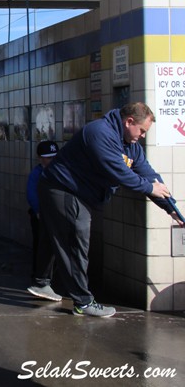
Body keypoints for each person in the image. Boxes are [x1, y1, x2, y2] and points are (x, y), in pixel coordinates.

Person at [33, 103, 182, 317]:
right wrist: (150, 187)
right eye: (141, 131)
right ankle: (82, 302)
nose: (141, 136)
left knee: (55, 237)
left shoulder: (130, 146)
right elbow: (119, 172)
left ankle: (41, 282)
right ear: (129, 121)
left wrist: (171, 208)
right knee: (75, 243)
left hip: (67, 190)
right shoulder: (99, 132)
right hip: (65, 189)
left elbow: (148, 174)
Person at [26, 140, 61, 301]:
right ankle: (39, 278)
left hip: (56, 215)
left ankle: (51, 279)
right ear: (40, 158)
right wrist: (38, 210)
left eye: (54, 157)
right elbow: (31, 193)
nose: (51, 160)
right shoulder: (37, 173)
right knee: (41, 245)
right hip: (40, 215)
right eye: (48, 158)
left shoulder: (61, 171)